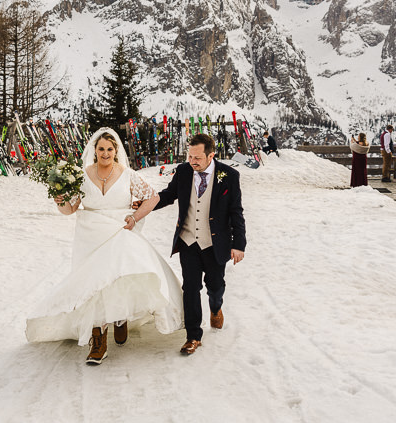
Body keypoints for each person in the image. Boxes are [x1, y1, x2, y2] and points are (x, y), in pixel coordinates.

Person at [24, 128, 182, 365]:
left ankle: (119, 318)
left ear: (116, 151)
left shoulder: (128, 174)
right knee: (93, 286)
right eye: (101, 149)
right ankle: (98, 340)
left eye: (109, 149)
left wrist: (135, 217)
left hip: (120, 231)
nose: (105, 153)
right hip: (90, 236)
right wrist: (61, 200)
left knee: (115, 278)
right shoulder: (81, 175)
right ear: (94, 151)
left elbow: (153, 197)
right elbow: (70, 209)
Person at [154, 133, 246, 356]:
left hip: (215, 243)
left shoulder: (229, 176)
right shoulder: (184, 171)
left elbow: (236, 212)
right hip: (188, 241)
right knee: (190, 288)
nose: (192, 161)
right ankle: (193, 336)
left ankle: (216, 307)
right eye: (189, 156)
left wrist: (239, 244)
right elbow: (168, 195)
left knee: (215, 286)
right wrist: (146, 204)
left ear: (211, 155)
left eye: (197, 157)